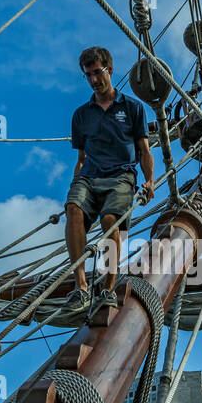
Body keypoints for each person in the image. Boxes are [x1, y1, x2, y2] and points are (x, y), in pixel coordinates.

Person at [62, 46, 155, 315]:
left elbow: (144, 150)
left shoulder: (133, 108)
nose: (93, 80)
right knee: (73, 210)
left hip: (121, 176)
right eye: (88, 75)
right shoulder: (81, 115)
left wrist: (149, 181)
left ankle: (108, 287)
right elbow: (80, 158)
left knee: (109, 221)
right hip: (89, 176)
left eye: (97, 73)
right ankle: (81, 287)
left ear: (109, 70)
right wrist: (74, 186)